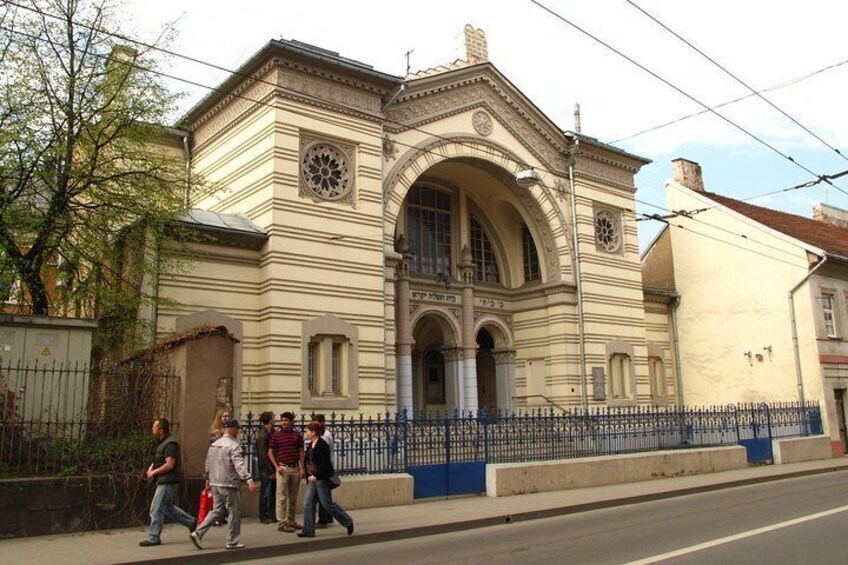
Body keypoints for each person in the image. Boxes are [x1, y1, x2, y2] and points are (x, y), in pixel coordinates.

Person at [190, 418, 256, 551]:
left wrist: (208, 479)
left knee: (217, 510)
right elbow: (239, 464)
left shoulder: (215, 444)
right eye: (237, 429)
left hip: (215, 482)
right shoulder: (234, 445)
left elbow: (208, 463)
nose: (238, 432)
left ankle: (198, 532)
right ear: (232, 429)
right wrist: (248, 479)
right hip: (229, 483)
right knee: (234, 512)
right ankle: (232, 541)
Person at [139, 418, 196, 547]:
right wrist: (151, 467)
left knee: (155, 509)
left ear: (161, 430)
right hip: (165, 479)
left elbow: (170, 465)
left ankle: (154, 538)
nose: (152, 428)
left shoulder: (170, 444)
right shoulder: (163, 442)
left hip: (168, 481)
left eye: (154, 427)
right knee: (167, 507)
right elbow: (160, 459)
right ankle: (191, 522)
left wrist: (154, 472)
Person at [297, 422, 353, 538]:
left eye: (307, 431)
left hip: (321, 479)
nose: (305, 433)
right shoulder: (311, 444)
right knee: (308, 503)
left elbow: (325, 464)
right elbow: (309, 461)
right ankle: (308, 530)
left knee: (327, 504)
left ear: (313, 433)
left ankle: (347, 521)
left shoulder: (322, 444)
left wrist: (316, 475)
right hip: (312, 479)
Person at [268, 411, 304, 533]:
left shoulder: (297, 435)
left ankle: (291, 520)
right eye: (282, 420)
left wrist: (302, 467)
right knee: (282, 497)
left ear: (291, 421)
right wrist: (276, 466)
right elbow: (270, 452)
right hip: (283, 469)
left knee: (293, 497)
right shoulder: (276, 436)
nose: (283, 422)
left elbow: (300, 451)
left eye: (286, 420)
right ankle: (282, 522)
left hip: (295, 468)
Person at [310, 414, 334, 529]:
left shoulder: (325, 436)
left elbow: (322, 456)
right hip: (322, 469)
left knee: (322, 497)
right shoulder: (323, 434)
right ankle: (328, 517)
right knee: (325, 496)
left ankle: (323, 520)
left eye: (316, 423)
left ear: (322, 423)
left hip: (322, 471)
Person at [255, 411, 277, 524]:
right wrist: (269, 471)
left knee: (273, 492)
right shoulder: (262, 436)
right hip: (266, 469)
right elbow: (262, 456)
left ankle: (272, 514)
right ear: (269, 420)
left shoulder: (271, 432)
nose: (274, 419)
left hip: (272, 467)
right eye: (273, 418)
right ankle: (263, 515)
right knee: (266, 492)